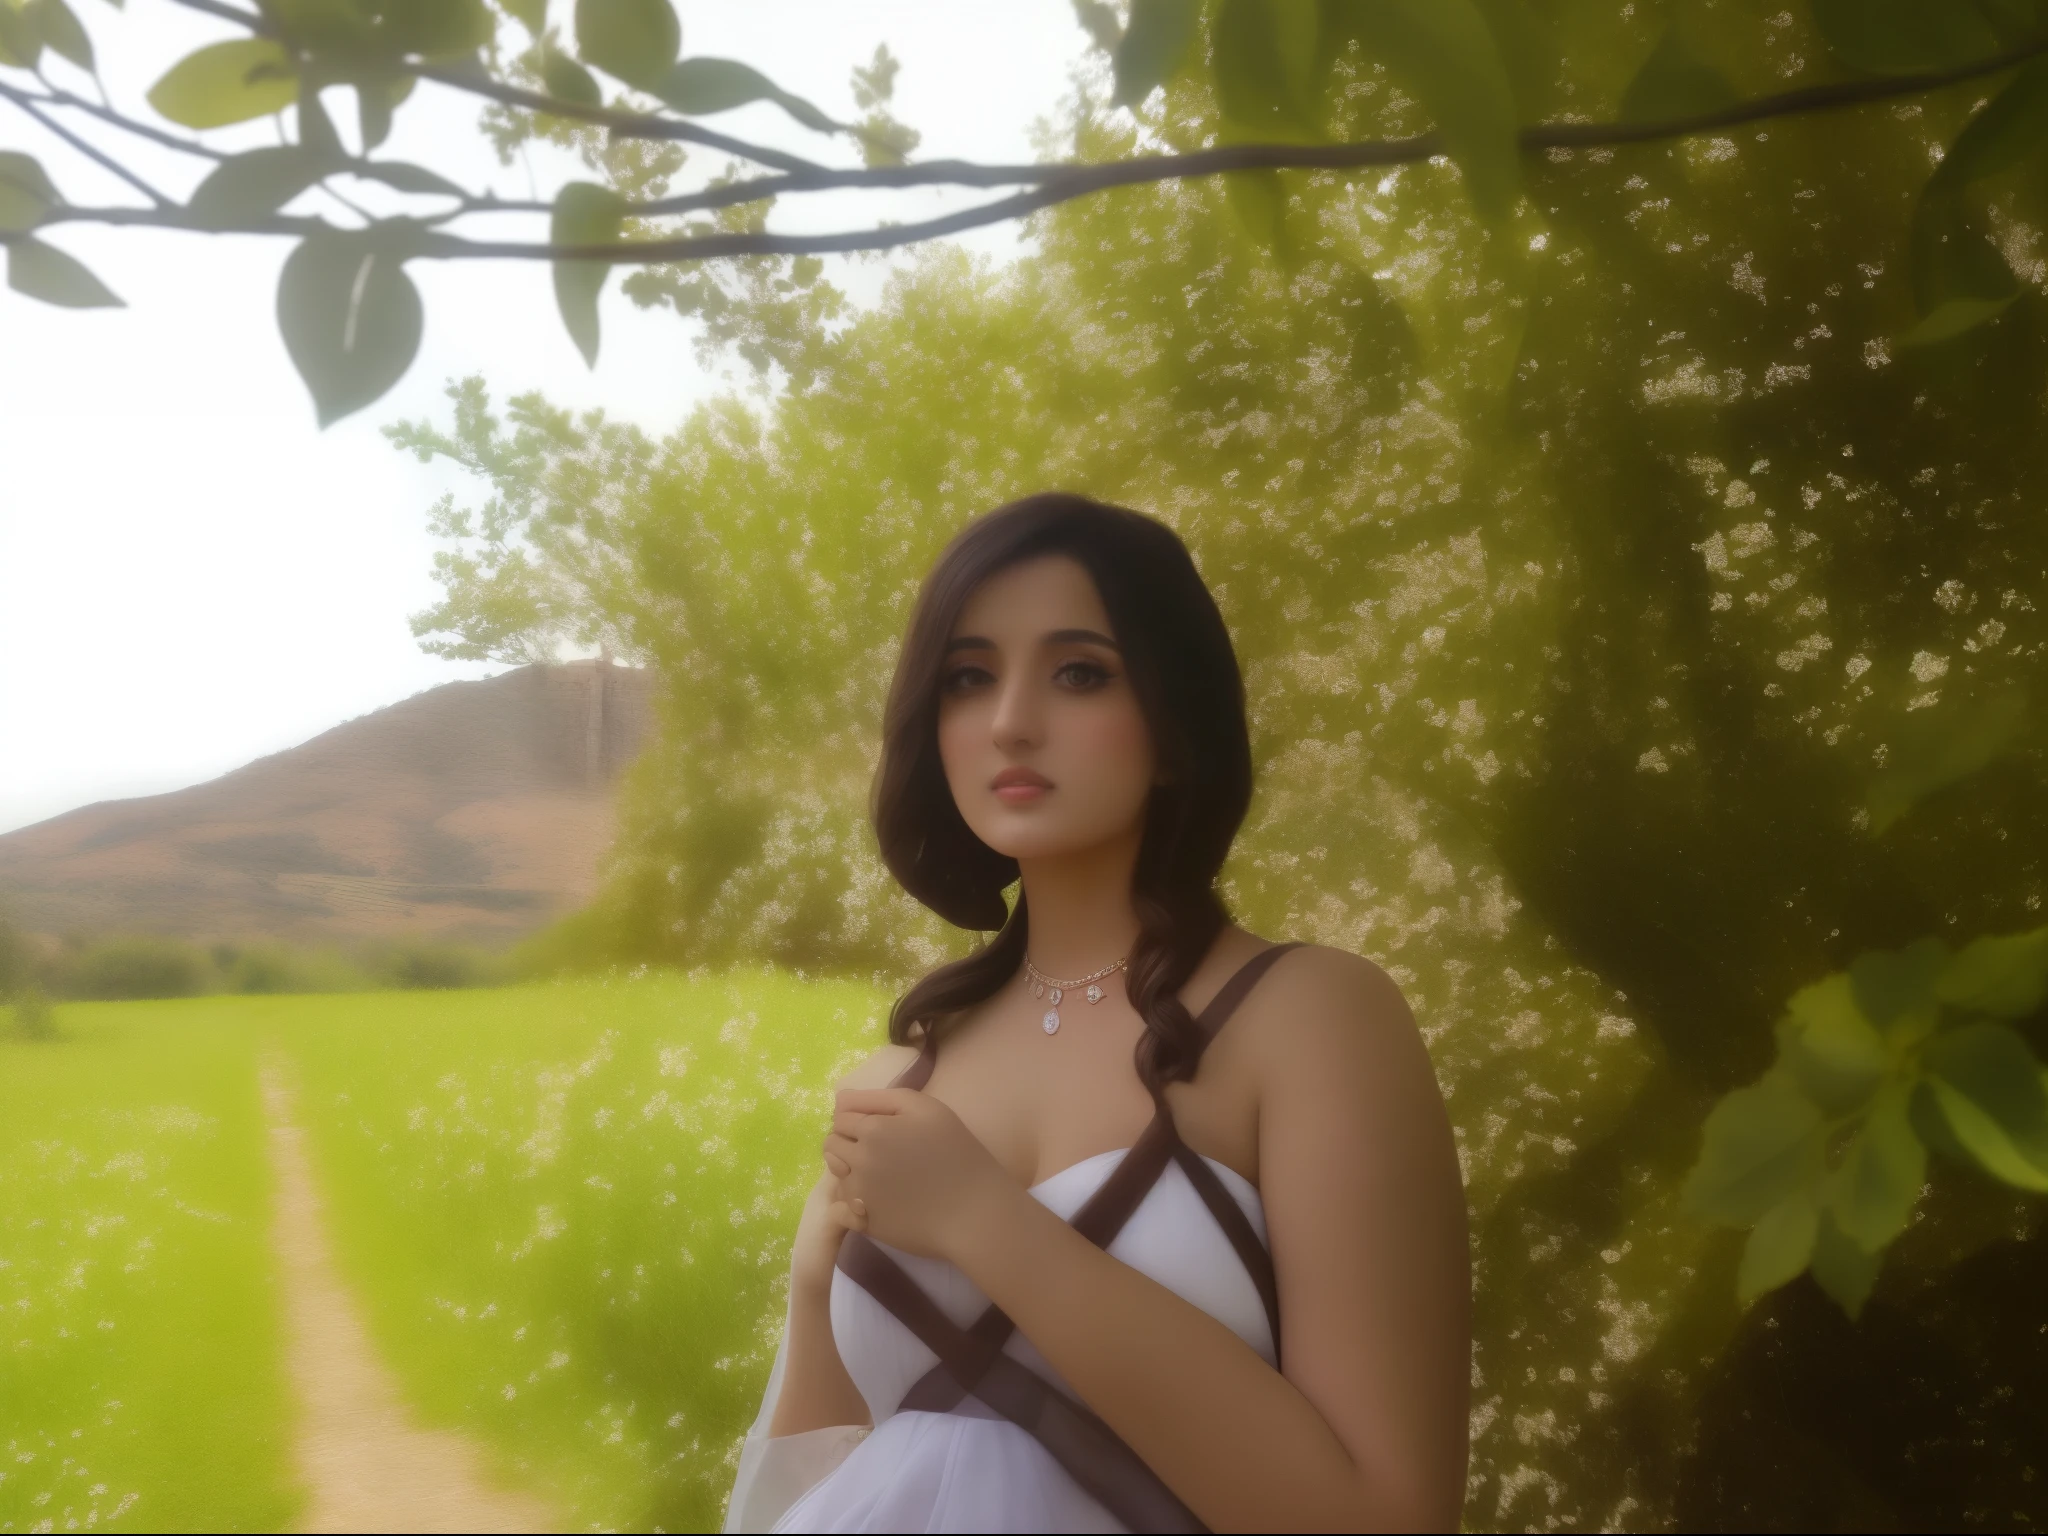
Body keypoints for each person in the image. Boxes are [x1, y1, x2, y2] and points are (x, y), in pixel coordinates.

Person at [724, 493, 1469, 1533]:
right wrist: (818, 1283)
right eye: (968, 677)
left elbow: (1388, 1518)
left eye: (1079, 672)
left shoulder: (1310, 1020)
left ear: (1174, 726)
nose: (1009, 721)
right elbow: (816, 1487)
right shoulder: (891, 1084)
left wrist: (983, 1221)